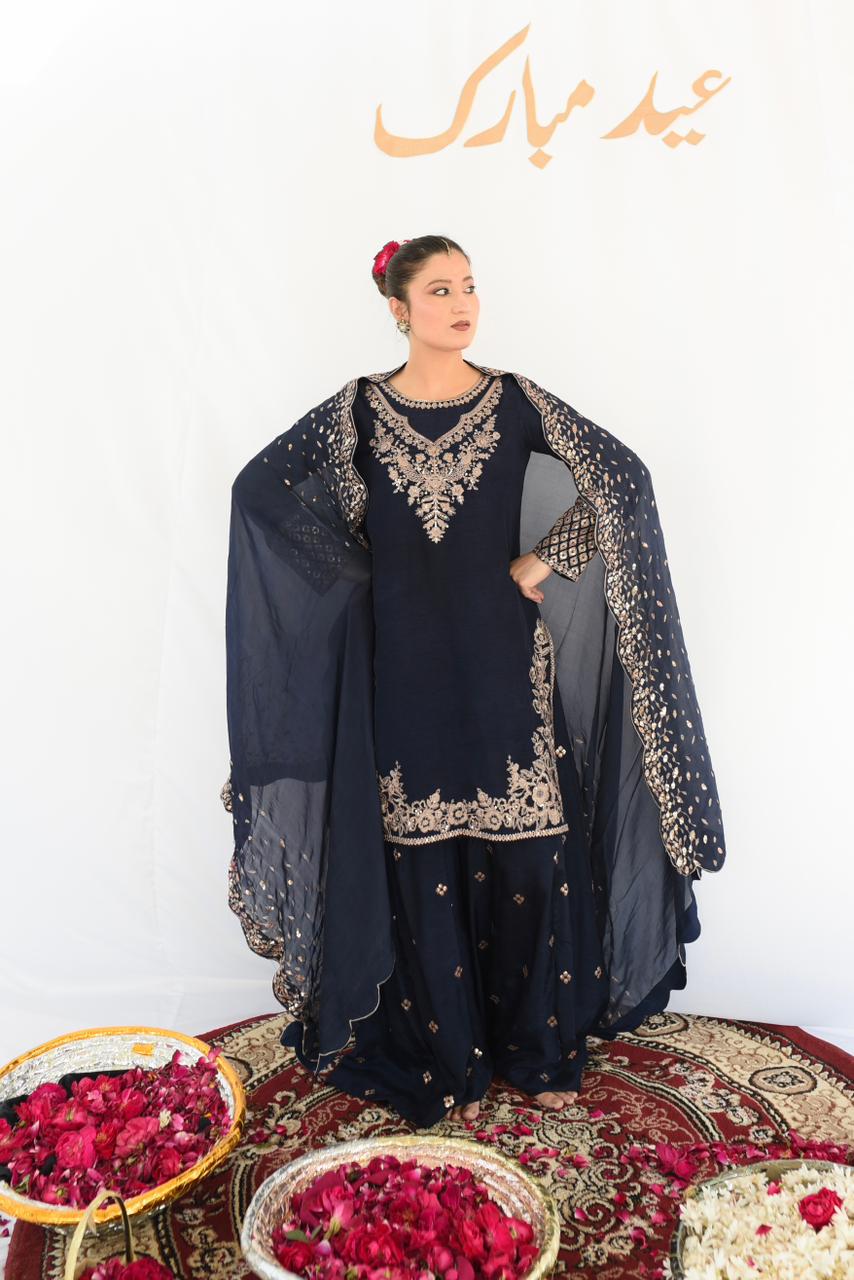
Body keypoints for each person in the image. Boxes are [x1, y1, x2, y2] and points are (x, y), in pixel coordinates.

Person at [221, 235, 726, 1130]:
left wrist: (546, 559)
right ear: (398, 308)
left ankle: (538, 1049)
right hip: (402, 671)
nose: (462, 305)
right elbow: (257, 491)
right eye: (441, 290)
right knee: (419, 853)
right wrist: (355, 579)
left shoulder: (516, 400)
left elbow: (624, 479)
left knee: (529, 848)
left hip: (503, 663)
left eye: (470, 287)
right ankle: (444, 1051)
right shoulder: (357, 412)